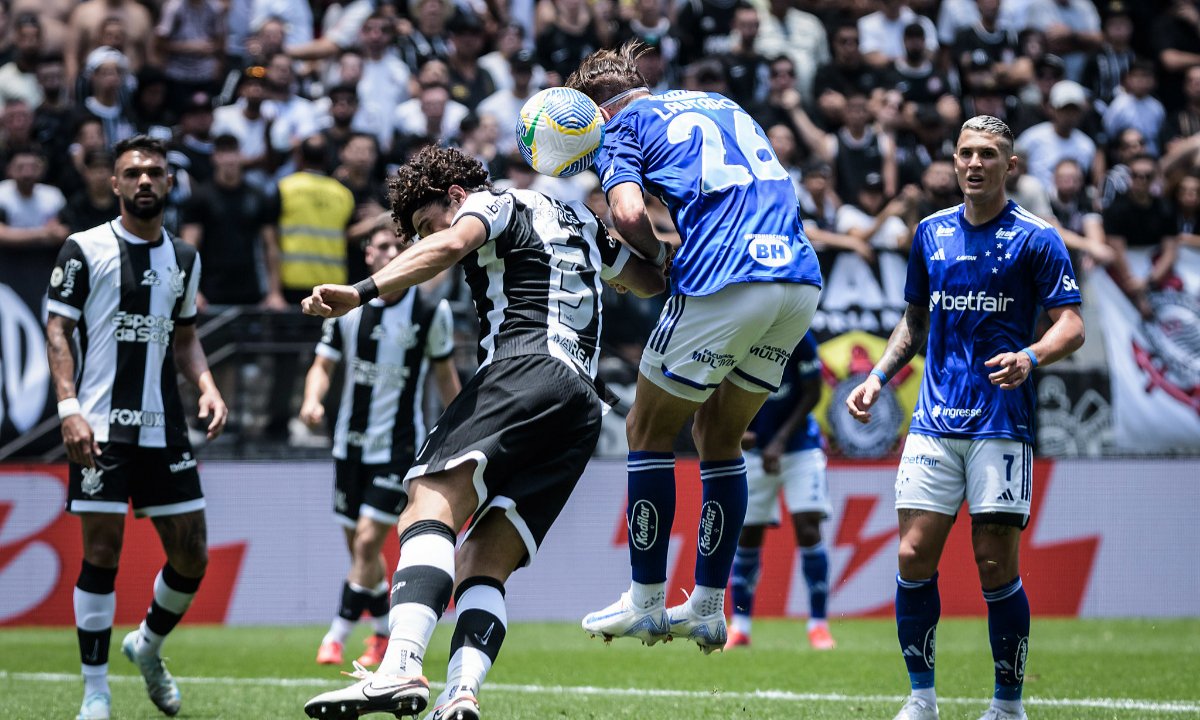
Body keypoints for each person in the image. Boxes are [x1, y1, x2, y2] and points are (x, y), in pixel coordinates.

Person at [300, 146, 665, 719]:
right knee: (481, 562)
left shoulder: (492, 202)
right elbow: (648, 279)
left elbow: (449, 245)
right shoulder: (580, 221)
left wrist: (362, 291)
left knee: (428, 503)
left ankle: (398, 666)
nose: (424, 238)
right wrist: (645, 228)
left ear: (454, 197)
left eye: (423, 224)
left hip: (522, 366)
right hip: (580, 404)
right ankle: (461, 692)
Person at [565, 41, 823, 653]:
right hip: (798, 280)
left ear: (593, 108)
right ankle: (708, 607)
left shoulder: (617, 127)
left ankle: (647, 599)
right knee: (719, 438)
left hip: (726, 279)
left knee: (646, 430)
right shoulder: (717, 102)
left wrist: (657, 257)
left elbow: (628, 214)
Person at [844, 115, 1085, 720]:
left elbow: (1072, 325)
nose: (974, 163)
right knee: (911, 555)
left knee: (994, 563)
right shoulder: (928, 233)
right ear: (954, 162)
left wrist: (1031, 356)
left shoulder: (1037, 237)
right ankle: (921, 700)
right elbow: (915, 322)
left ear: (1011, 166)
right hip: (933, 420)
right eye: (965, 153)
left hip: (1001, 424)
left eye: (987, 154)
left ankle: (1008, 706)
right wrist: (877, 377)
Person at [45, 134, 229, 720]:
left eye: (154, 172)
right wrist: (68, 408)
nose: (144, 181)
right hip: (98, 425)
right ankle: (95, 692)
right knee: (101, 552)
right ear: (115, 183)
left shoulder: (184, 258)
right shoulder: (83, 248)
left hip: (164, 430)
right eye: (133, 173)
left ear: (170, 184)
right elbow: (57, 331)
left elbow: (186, 338)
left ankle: (147, 644)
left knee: (193, 555)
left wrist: (207, 385)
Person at [301, 224, 462, 669]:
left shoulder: (431, 309)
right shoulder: (348, 311)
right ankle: (381, 632)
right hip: (348, 446)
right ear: (368, 255)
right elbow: (322, 365)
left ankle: (336, 634)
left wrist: (463, 430)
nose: (391, 251)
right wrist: (312, 400)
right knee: (359, 551)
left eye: (399, 245)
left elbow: (446, 376)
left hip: (398, 447)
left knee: (369, 544)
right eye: (382, 246)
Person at [725, 330, 835, 651]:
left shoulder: (799, 335)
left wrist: (780, 440)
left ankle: (818, 625)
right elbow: (719, 385)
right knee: (747, 534)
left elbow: (813, 392)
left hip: (799, 446)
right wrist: (735, 430)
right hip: (755, 449)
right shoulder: (741, 331)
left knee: (808, 526)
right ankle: (741, 626)